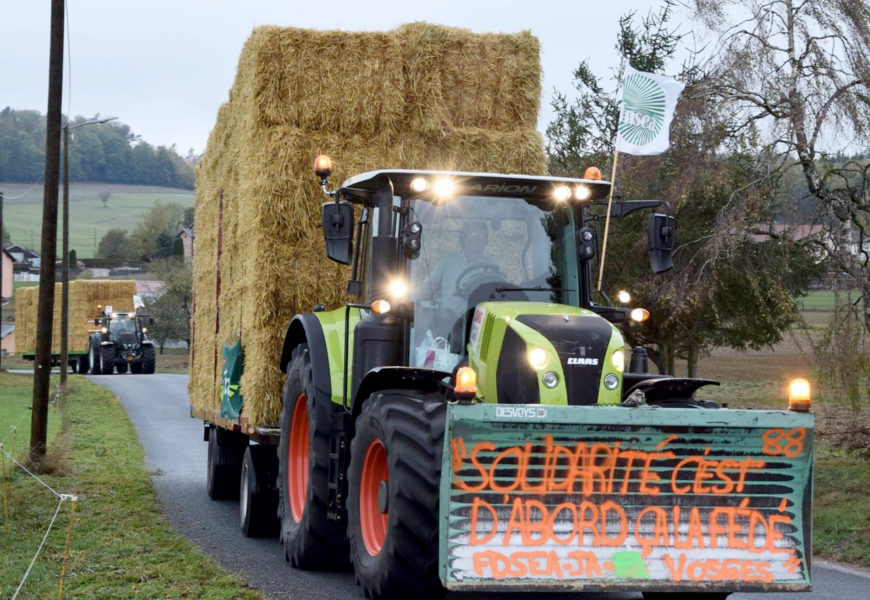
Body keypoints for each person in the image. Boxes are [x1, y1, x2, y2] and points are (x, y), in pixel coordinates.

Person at [413, 220, 501, 322]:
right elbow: (429, 287)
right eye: (473, 234)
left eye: (482, 235)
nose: (477, 239)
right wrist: (409, 299)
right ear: (464, 238)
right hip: (449, 320)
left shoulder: (492, 265)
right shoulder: (448, 261)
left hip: (480, 320)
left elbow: (500, 291)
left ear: (486, 240)